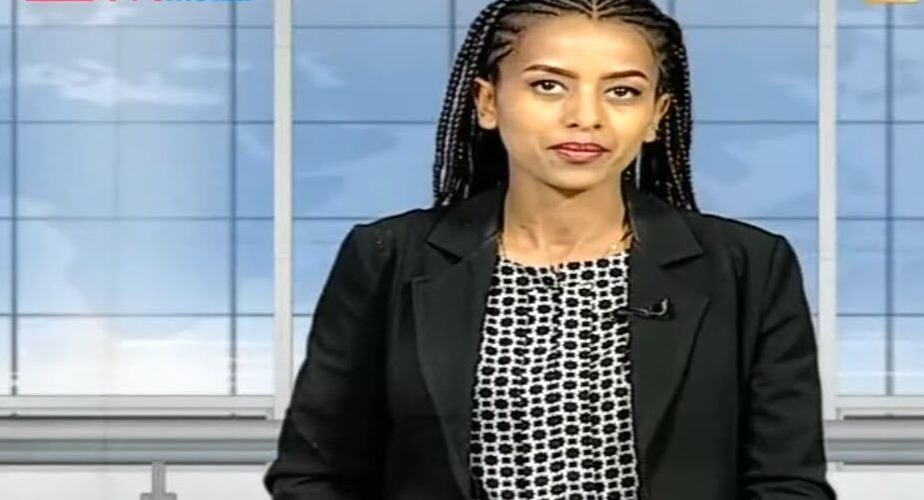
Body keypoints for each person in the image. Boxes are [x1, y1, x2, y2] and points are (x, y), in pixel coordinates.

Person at [263, 1, 836, 499]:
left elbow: (786, 483)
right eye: (548, 85)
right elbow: (316, 474)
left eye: (622, 92)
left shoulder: (749, 266)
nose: (585, 116)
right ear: (488, 102)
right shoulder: (386, 256)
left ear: (655, 117)